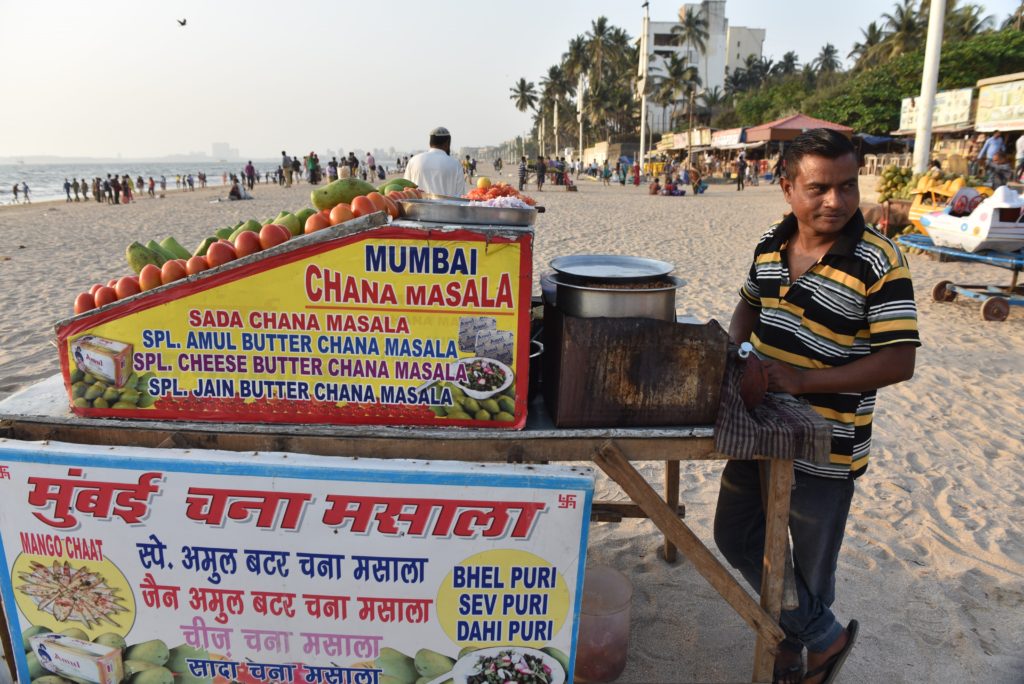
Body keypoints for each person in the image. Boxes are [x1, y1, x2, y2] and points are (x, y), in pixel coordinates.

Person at [715, 129, 919, 684]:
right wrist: (740, 353)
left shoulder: (881, 260)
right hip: (759, 430)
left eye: (847, 186)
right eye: (819, 188)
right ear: (787, 188)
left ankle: (792, 649)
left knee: (809, 564)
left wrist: (806, 382)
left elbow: (899, 361)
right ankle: (823, 639)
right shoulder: (769, 244)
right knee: (734, 536)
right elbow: (746, 308)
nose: (835, 201)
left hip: (828, 446)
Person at [403, 126, 467, 197]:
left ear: (430, 143)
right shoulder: (455, 164)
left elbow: (405, 190)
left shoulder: (413, 161)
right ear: (447, 143)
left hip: (417, 208)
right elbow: (461, 196)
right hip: (446, 208)